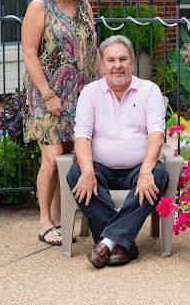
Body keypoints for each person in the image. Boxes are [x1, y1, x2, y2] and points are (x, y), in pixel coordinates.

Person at [67, 35, 169, 268]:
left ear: (132, 62)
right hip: (101, 168)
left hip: (137, 168)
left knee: (159, 175)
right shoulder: (90, 92)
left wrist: (146, 171)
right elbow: (81, 134)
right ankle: (123, 244)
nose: (117, 65)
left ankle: (107, 242)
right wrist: (87, 170)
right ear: (102, 64)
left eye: (123, 59)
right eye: (111, 59)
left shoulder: (149, 90)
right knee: (76, 175)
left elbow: (156, 133)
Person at [22, 0, 98, 246]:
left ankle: (58, 220)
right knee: (52, 159)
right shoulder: (40, 6)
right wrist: (48, 94)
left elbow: (92, 50)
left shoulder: (84, 7)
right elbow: (29, 54)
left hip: (79, 94)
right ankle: (44, 221)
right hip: (47, 95)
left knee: (67, 159)